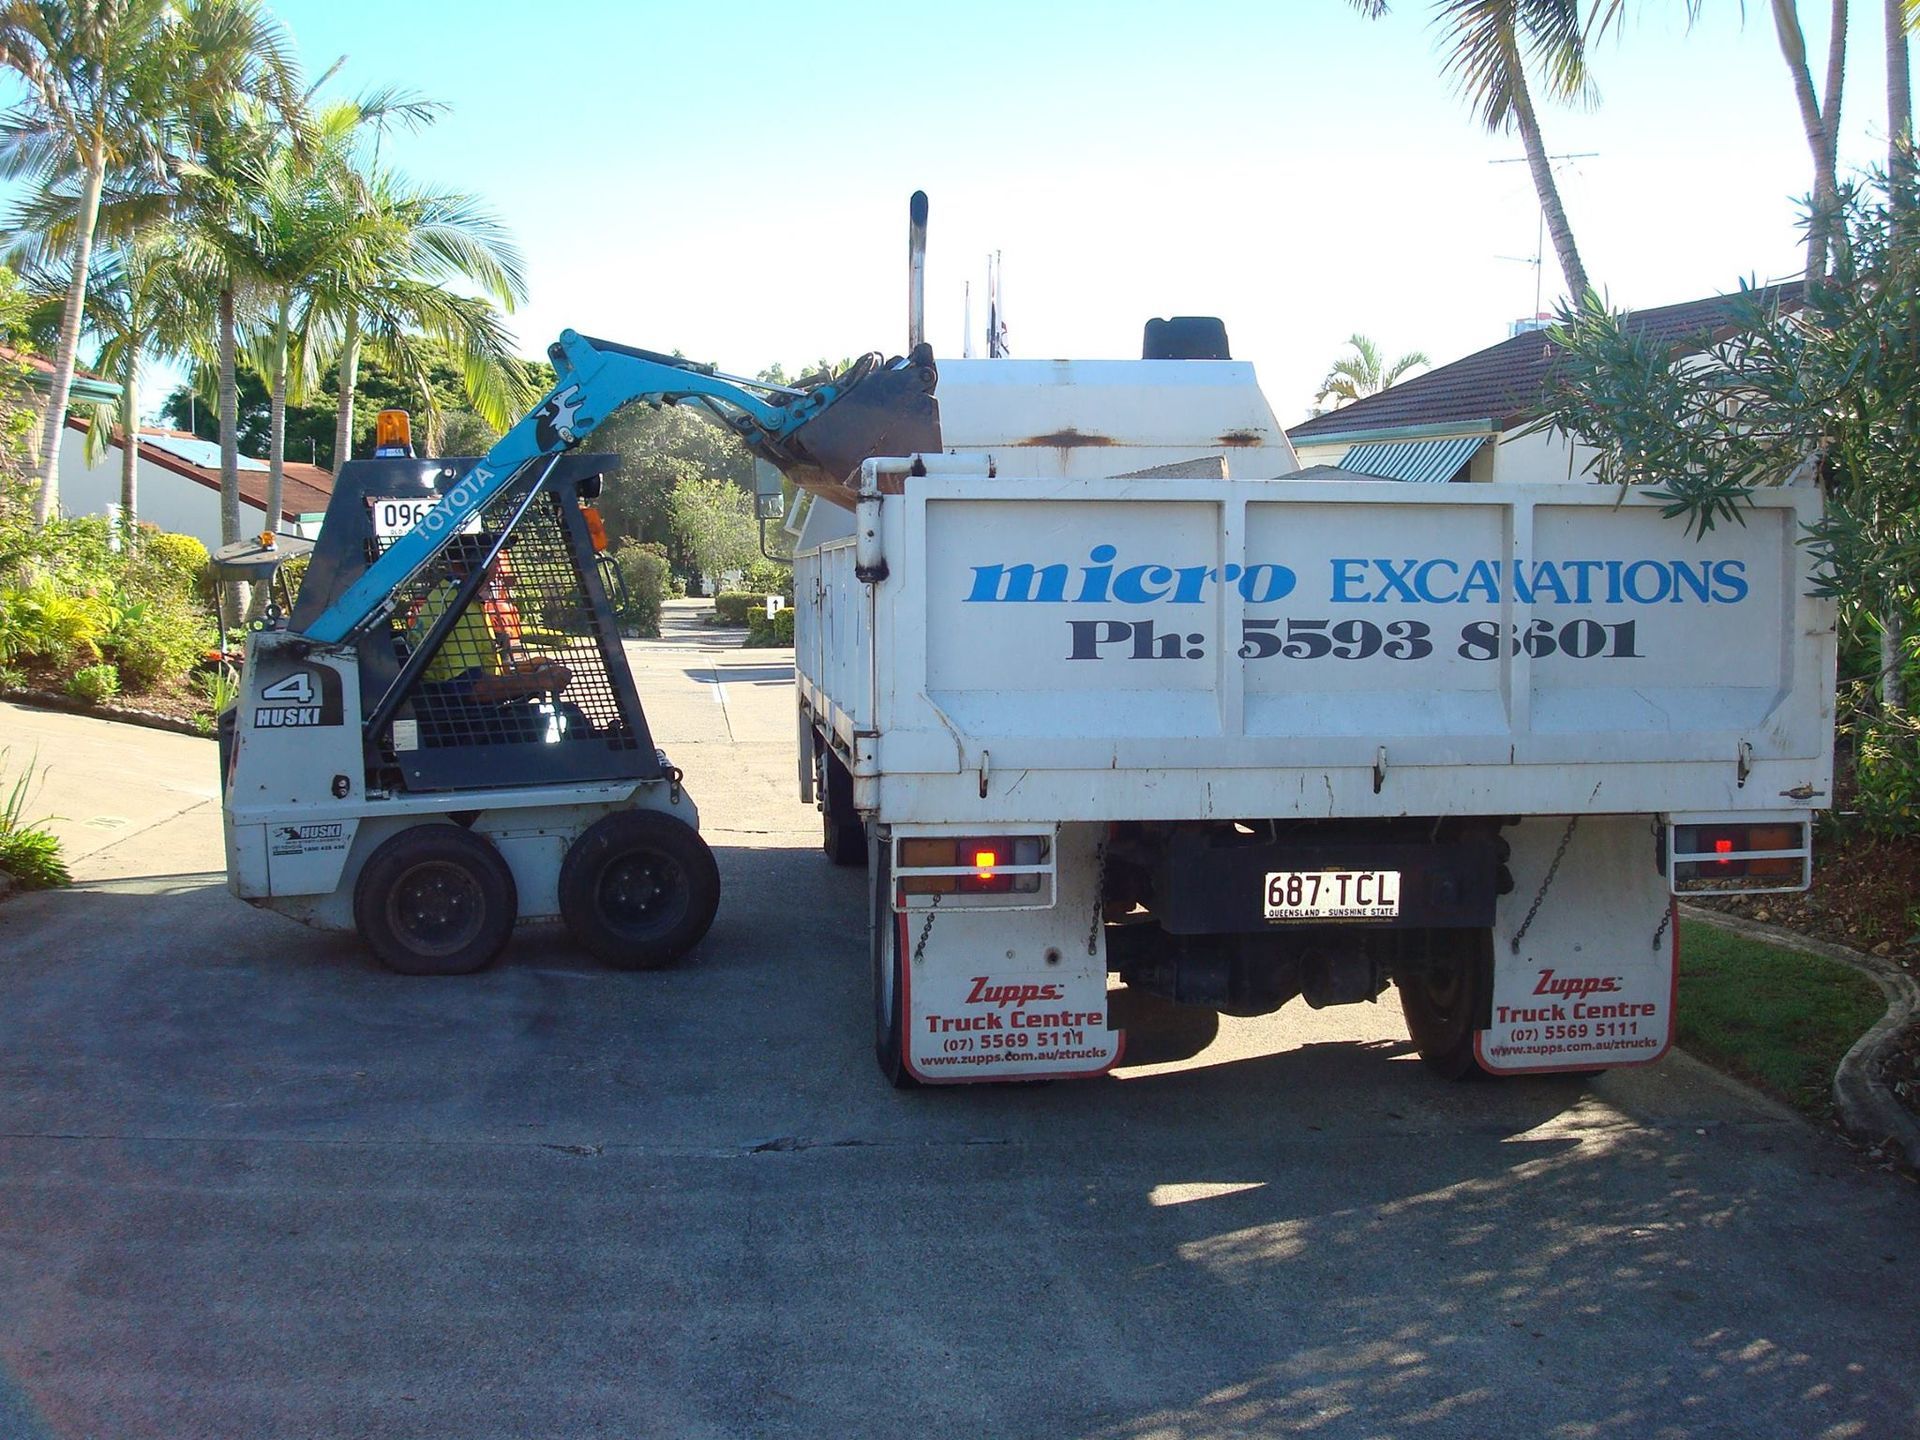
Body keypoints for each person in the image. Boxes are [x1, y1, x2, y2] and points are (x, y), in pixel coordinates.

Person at [404, 535, 580, 744]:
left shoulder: (455, 598)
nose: (498, 570)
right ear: (474, 563)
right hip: (463, 727)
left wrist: (524, 669)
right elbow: (471, 688)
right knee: (569, 720)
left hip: (456, 717)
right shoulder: (458, 611)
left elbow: (476, 673)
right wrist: (539, 680)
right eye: (495, 560)